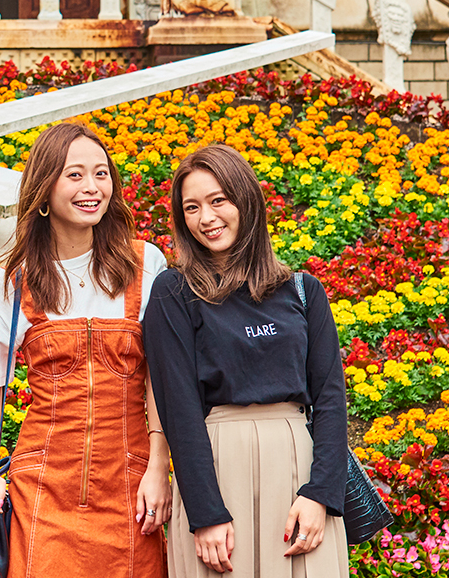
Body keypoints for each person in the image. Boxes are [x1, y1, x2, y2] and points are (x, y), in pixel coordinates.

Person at [0, 121, 170, 578]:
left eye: (101, 174)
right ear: (44, 187)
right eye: (74, 175)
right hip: (43, 483)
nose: (92, 187)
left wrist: (159, 466)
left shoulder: (146, 263)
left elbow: (161, 377)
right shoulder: (10, 282)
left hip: (130, 480)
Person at [143, 144, 348, 578]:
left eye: (219, 200)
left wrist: (321, 495)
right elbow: (178, 406)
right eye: (192, 207)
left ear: (246, 200)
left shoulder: (303, 291)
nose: (206, 218)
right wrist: (205, 512)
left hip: (299, 476)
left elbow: (330, 397)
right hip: (219, 471)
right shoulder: (173, 292)